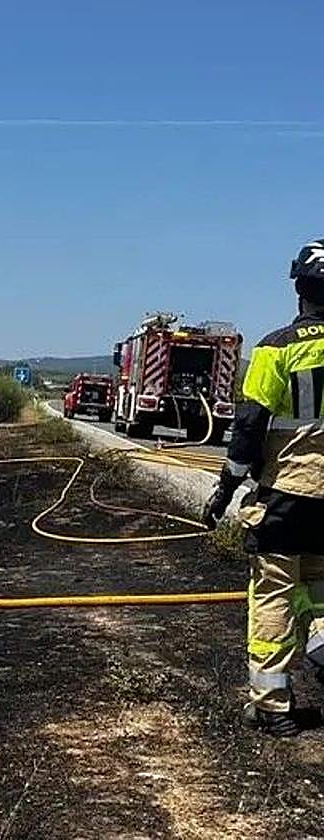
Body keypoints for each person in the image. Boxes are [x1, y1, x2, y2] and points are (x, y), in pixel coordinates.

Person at [204, 238, 324, 736]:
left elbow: (248, 427)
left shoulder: (277, 348)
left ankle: (274, 707)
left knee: (275, 594)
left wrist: (226, 488)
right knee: (320, 596)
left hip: (286, 496)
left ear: (298, 287)